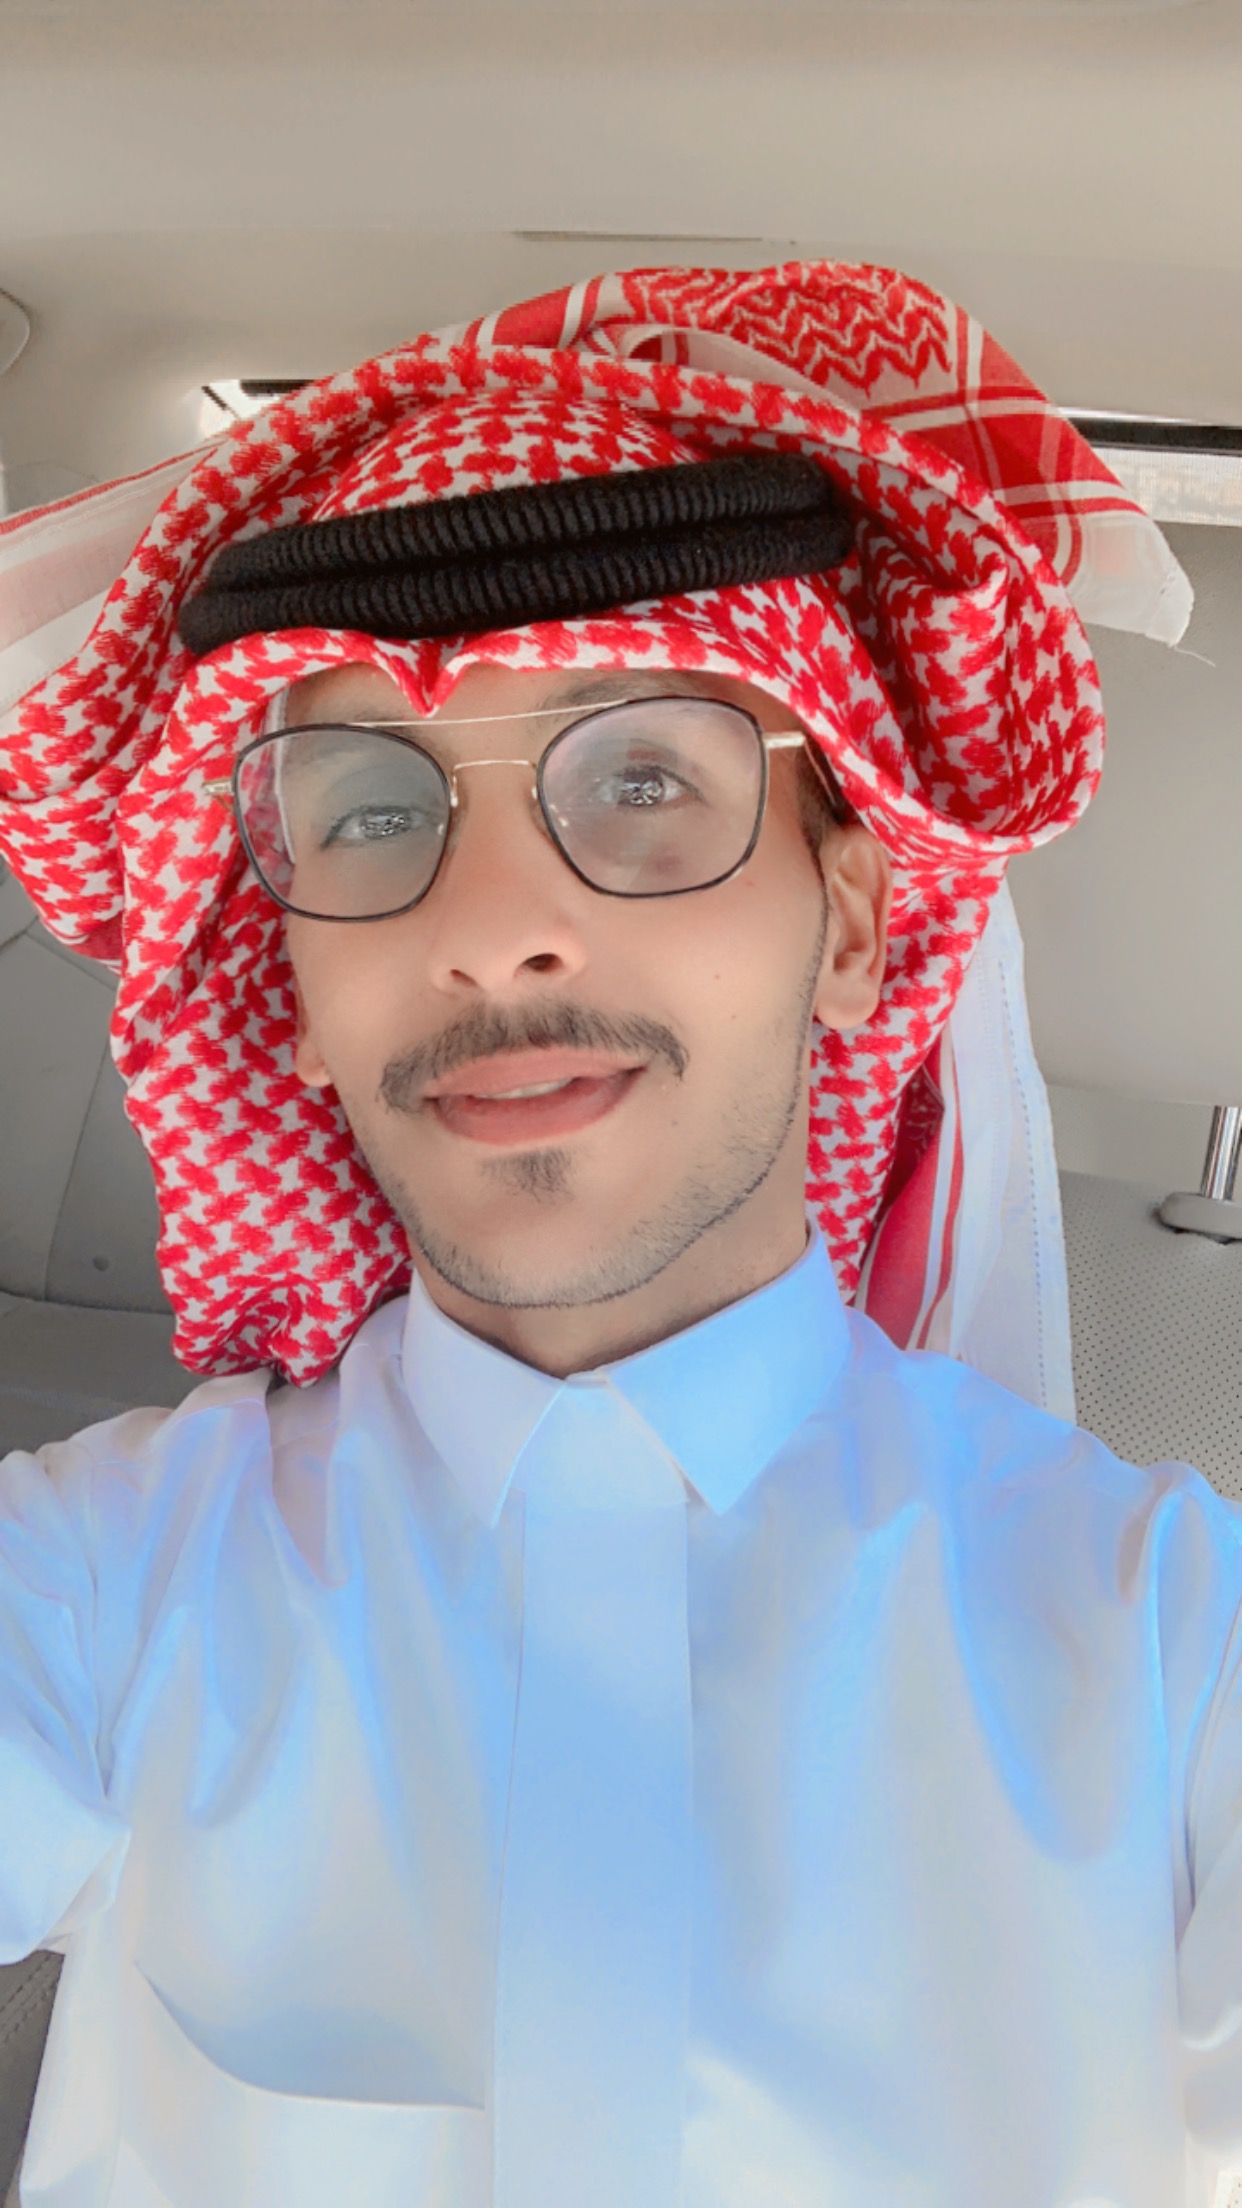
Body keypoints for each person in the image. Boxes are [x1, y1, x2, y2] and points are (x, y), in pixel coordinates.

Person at [0, 261, 1236, 2208]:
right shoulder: (91, 1587)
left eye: (646, 778)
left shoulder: (1170, 1642)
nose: (491, 930)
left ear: (852, 926)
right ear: (287, 984)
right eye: (370, 813)